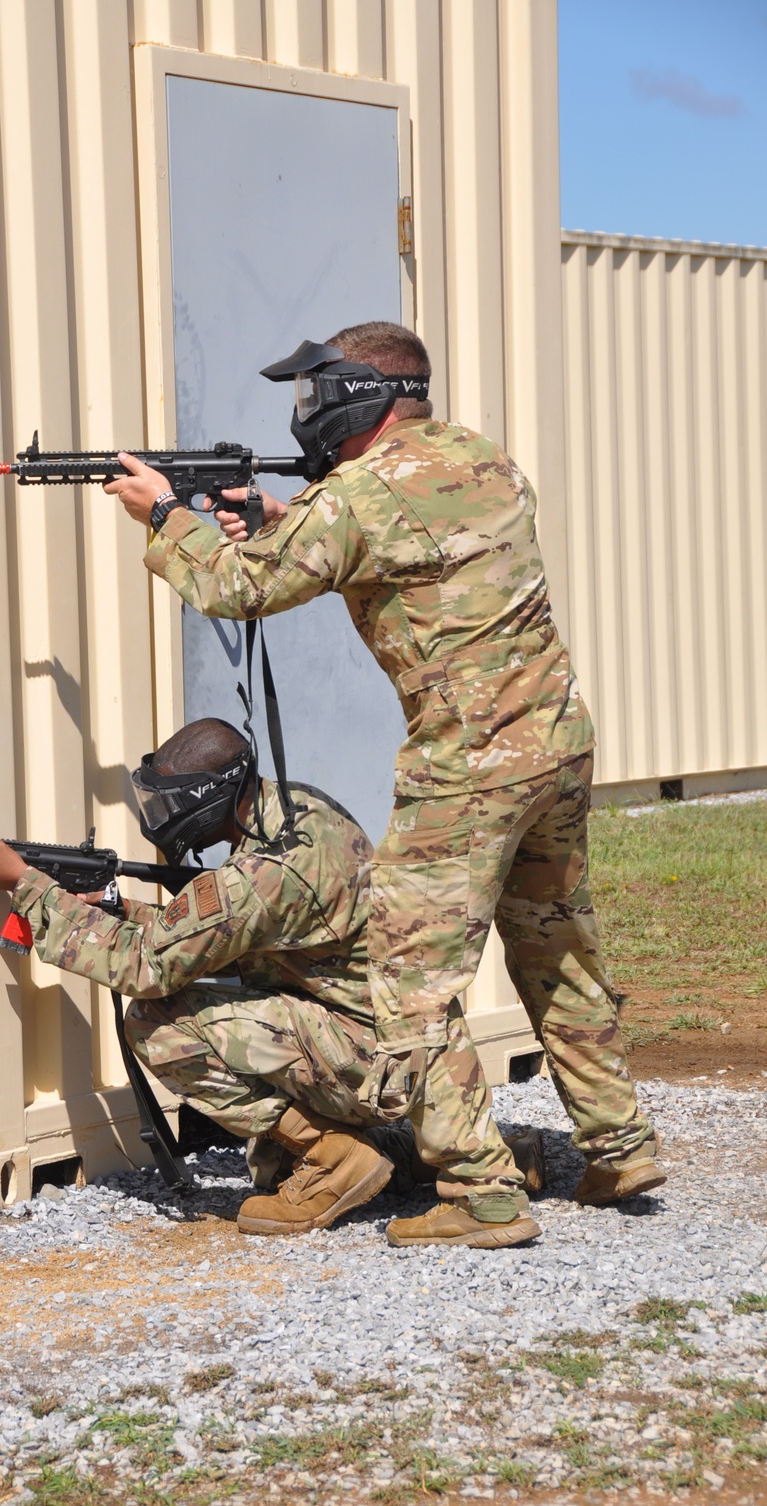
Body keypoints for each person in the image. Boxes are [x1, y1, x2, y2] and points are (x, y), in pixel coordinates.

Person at [103, 320, 664, 1249]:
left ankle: (481, 1196)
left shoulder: (359, 493)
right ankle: (617, 1140)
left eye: (316, 396)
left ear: (361, 396)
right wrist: (287, 519)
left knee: (408, 980)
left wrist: (166, 516)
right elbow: (414, 551)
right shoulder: (485, 462)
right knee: (553, 945)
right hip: (555, 740)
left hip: (466, 765)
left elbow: (238, 590)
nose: (307, 415)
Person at [0, 718, 537, 1237]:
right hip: (398, 1040)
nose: (162, 821)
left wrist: (29, 886)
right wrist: (119, 909)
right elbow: (221, 929)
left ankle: (334, 1156)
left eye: (171, 806)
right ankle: (415, 1152)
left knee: (157, 1022)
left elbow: (147, 967)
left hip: (381, 1057)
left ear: (211, 799)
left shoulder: (261, 874)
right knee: (264, 1159)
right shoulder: (299, 811)